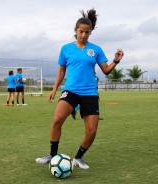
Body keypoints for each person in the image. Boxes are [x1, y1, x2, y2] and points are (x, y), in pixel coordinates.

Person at [35, 8, 124, 170]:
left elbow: (106, 70)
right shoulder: (66, 49)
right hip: (70, 91)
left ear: (90, 32)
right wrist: (54, 89)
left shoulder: (96, 50)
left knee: (92, 131)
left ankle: (78, 158)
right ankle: (52, 155)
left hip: (90, 93)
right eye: (81, 31)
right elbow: (61, 71)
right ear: (75, 31)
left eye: (87, 32)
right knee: (56, 120)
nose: (83, 35)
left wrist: (116, 61)